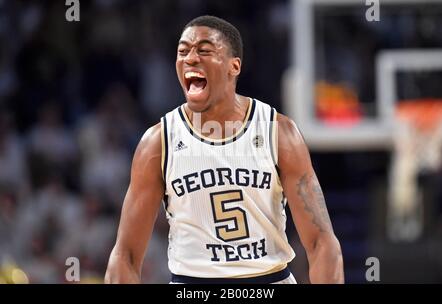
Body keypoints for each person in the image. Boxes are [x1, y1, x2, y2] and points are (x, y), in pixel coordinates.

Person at [105, 15, 344, 284]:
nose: (190, 58)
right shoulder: (158, 142)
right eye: (182, 51)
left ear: (234, 66)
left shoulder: (278, 133)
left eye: (204, 50)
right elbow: (125, 255)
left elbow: (322, 243)